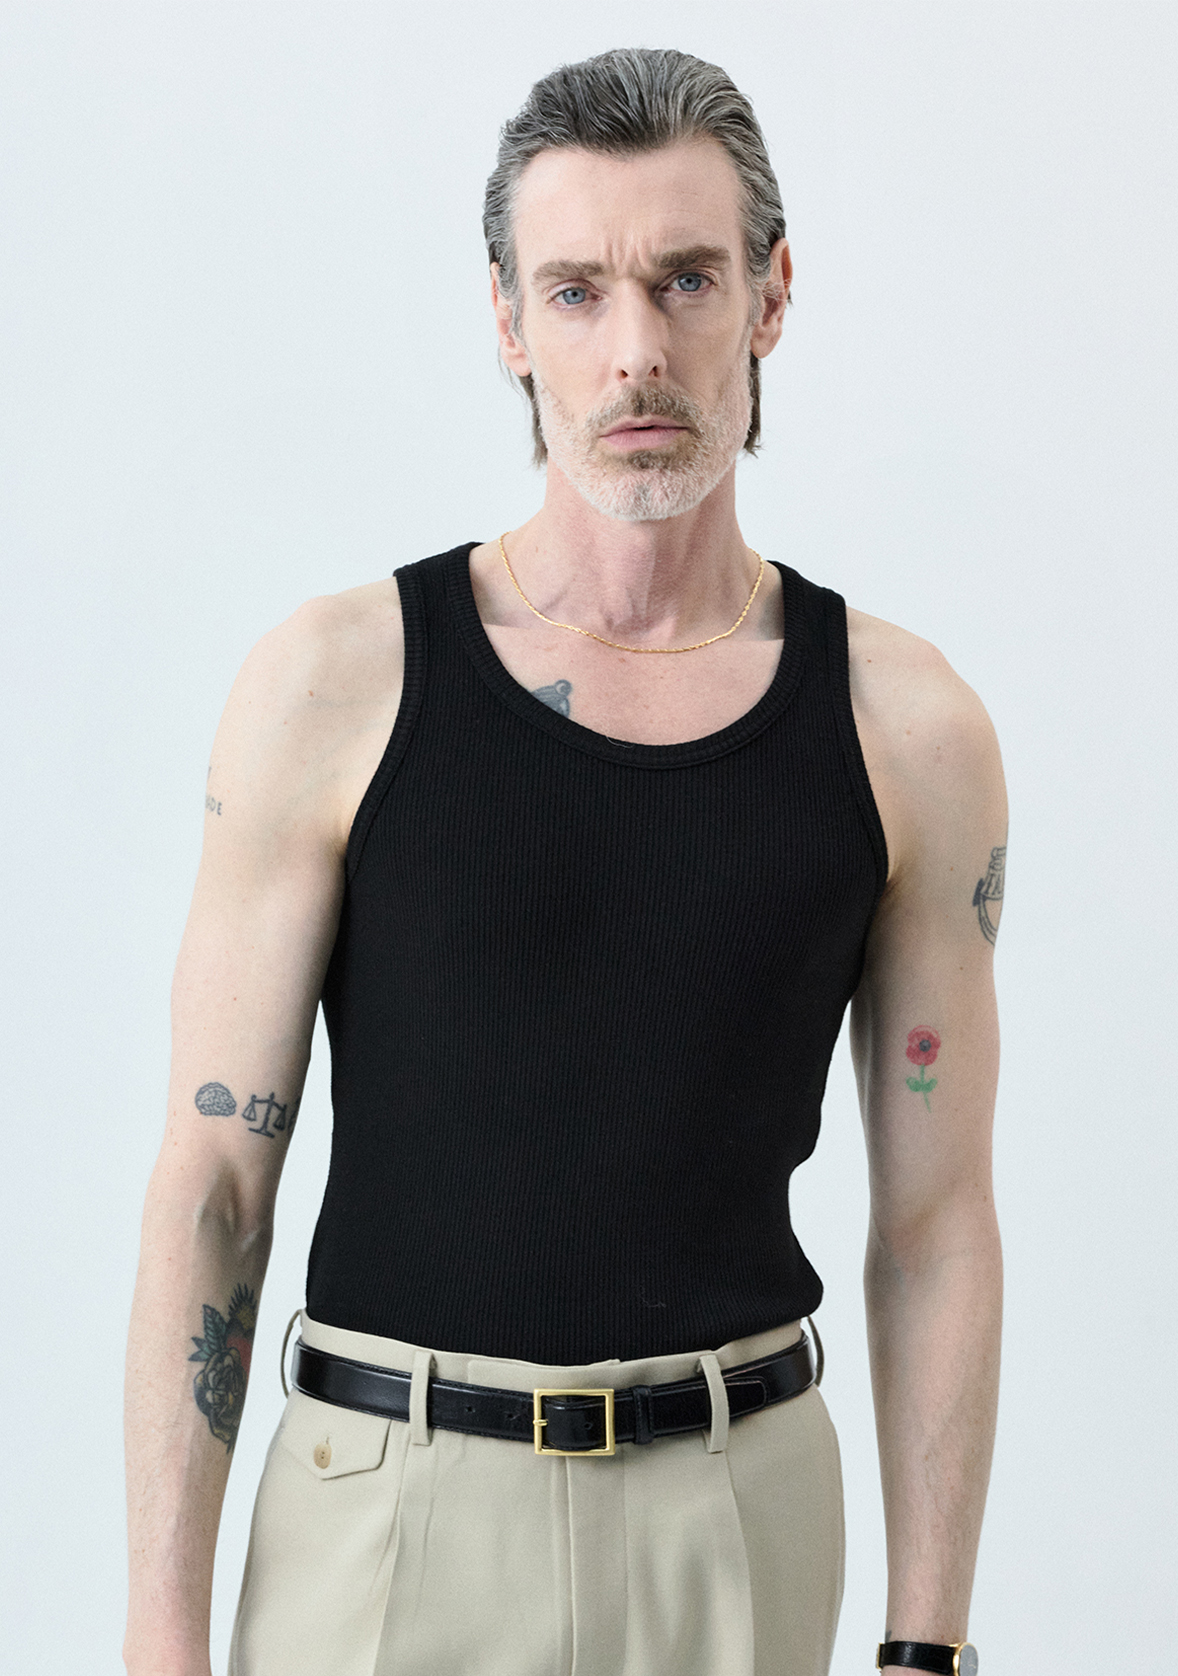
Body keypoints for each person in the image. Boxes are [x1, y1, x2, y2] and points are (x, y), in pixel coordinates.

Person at [123, 47, 1004, 1676]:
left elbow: (936, 1221)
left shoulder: (905, 727)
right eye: (578, 291)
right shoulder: (336, 684)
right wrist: (161, 1642)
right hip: (384, 1514)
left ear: (771, 295)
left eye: (686, 280)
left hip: (735, 1507)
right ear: (509, 322)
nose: (635, 350)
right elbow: (215, 1187)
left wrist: (927, 1648)